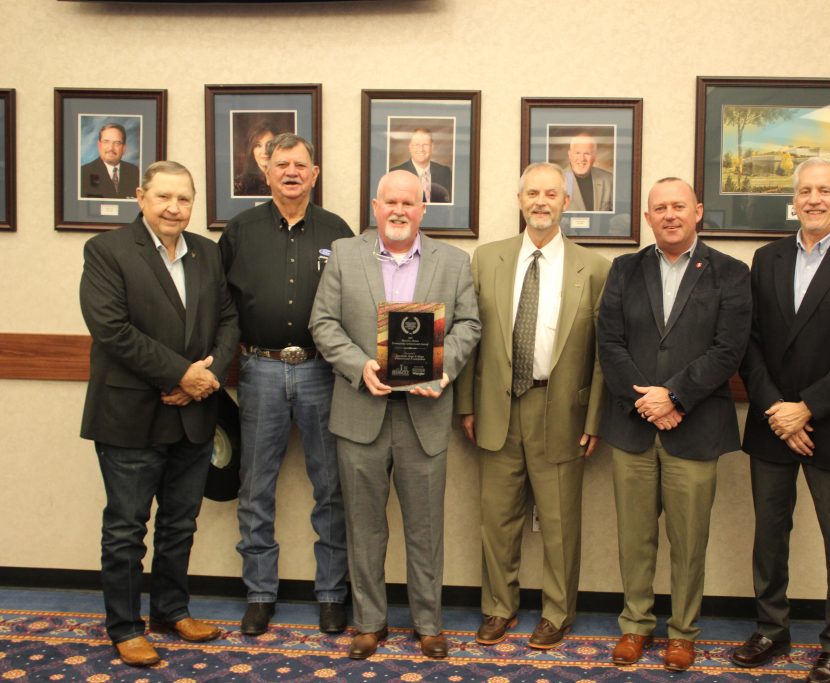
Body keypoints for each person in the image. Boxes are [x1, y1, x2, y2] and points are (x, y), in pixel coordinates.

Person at [731, 157, 830, 683]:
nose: (814, 199)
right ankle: (770, 629)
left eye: (825, 190)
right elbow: (750, 345)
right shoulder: (768, 258)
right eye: (805, 190)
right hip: (771, 422)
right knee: (770, 535)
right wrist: (779, 410)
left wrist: (808, 408)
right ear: (794, 199)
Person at [309, 170, 480, 660]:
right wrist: (358, 365)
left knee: (426, 527)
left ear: (423, 208)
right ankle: (368, 622)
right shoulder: (345, 254)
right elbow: (323, 322)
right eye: (391, 202)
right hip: (361, 410)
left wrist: (444, 368)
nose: (400, 210)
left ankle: (429, 623)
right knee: (363, 525)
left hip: (424, 416)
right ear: (375, 206)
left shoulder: (453, 261)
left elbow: (470, 323)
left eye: (409, 202)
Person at [79, 161, 239, 667]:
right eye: (164, 197)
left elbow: (229, 319)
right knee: (126, 527)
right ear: (140, 197)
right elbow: (112, 329)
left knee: (180, 523)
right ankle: (125, 627)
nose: (174, 208)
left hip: (193, 414)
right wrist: (178, 376)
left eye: (184, 199)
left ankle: (172, 610)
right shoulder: (106, 252)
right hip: (131, 415)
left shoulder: (208, 255)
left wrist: (203, 378)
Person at [597, 177, 751, 670]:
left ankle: (683, 632)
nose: (669, 215)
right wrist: (648, 401)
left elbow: (730, 347)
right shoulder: (624, 269)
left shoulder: (729, 272)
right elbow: (610, 343)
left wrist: (676, 395)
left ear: (698, 212)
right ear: (647, 218)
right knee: (635, 537)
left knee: (689, 541)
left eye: (678, 206)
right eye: (659, 208)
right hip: (634, 426)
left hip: (696, 426)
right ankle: (635, 626)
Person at [455, 162, 610, 650]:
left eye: (551, 193)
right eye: (532, 193)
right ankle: (499, 607)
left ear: (567, 202)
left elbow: (605, 354)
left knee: (561, 522)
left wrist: (594, 419)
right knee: (497, 519)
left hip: (561, 409)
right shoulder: (486, 259)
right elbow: (470, 337)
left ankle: (557, 612)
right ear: (519, 200)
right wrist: (466, 405)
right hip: (498, 408)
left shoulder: (595, 268)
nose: (541, 201)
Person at [219, 133, 354, 636]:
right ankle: (259, 593)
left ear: (314, 174)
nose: (291, 172)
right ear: (267, 172)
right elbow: (223, 305)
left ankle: (332, 595)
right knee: (255, 488)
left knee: (331, 488)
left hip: (324, 370)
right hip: (260, 370)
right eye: (282, 164)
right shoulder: (240, 229)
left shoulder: (338, 231)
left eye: (301, 164)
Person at [390, 127, 453, 203]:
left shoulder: (445, 172)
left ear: (432, 147)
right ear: (410, 147)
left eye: (425, 144)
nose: (421, 149)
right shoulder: (395, 174)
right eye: (417, 145)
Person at [81, 122, 141, 199]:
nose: (111, 148)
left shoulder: (134, 172)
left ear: (124, 148)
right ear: (99, 145)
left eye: (117, 143)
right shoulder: (83, 173)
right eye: (106, 142)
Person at [562, 132, 613, 212]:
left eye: (587, 153)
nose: (582, 158)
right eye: (577, 153)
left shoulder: (609, 180)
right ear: (570, 155)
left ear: (594, 156)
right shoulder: (557, 180)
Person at [233, 119, 277, 196]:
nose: (264, 151)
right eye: (258, 145)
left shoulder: (287, 180)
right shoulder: (239, 185)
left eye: (270, 144)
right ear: (252, 150)